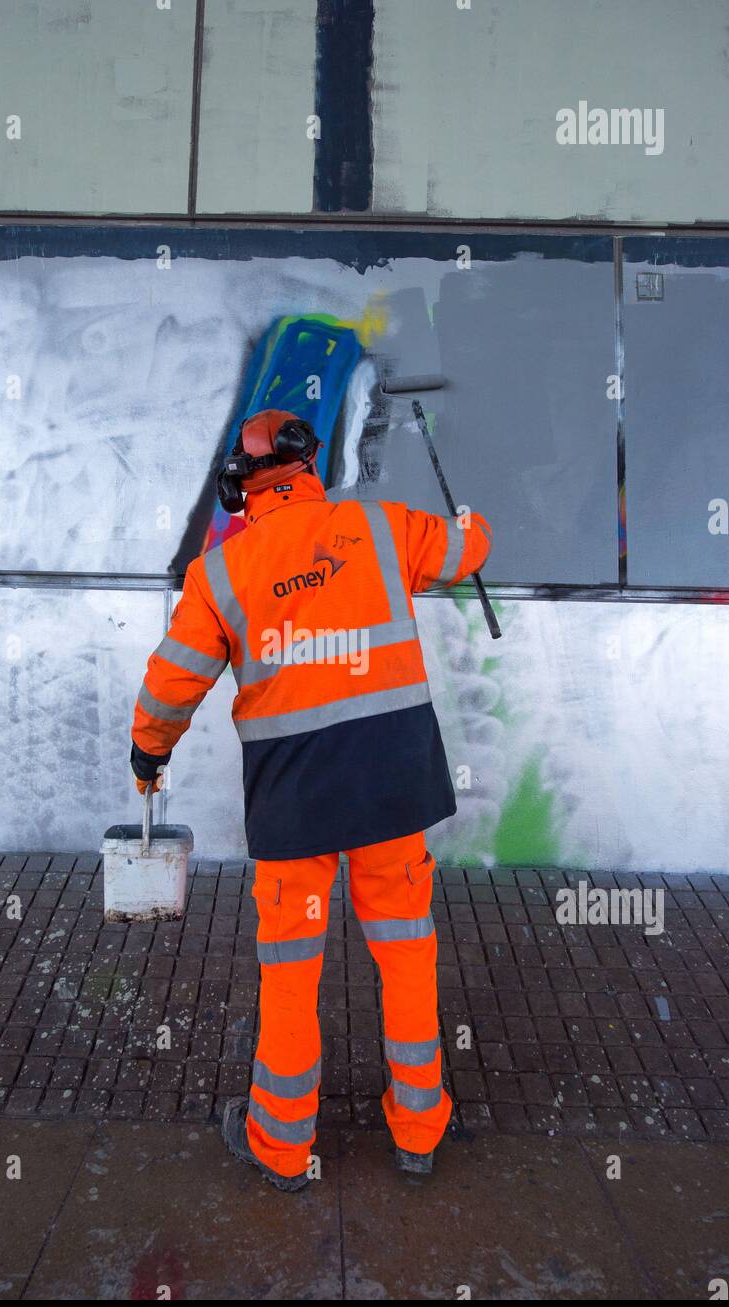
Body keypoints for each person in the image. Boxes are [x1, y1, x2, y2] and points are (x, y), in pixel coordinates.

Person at [130, 408, 492, 1191]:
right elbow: (464, 551)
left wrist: (147, 754)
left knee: (289, 972)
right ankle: (418, 1132)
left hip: (294, 806)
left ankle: (283, 1145)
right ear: (308, 464)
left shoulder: (220, 574)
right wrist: (471, 521)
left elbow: (170, 687)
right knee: (407, 957)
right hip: (393, 789)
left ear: (239, 489)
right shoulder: (380, 526)